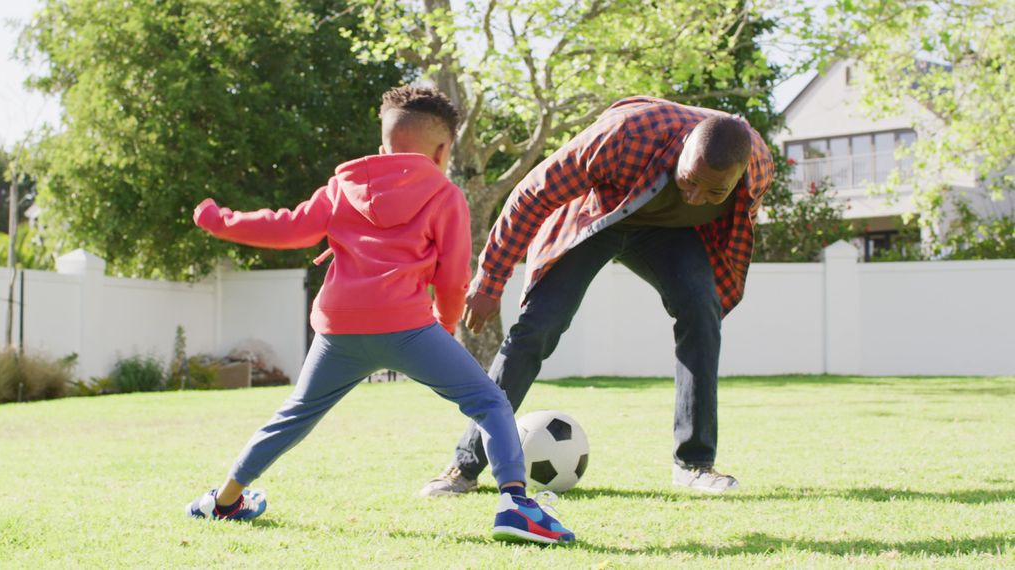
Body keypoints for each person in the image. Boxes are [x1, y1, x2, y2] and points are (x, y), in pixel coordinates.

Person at [185, 85, 574, 545]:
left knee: (294, 416)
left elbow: (288, 227)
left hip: (339, 330)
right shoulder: (446, 195)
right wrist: (444, 326)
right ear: (444, 148)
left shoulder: (341, 188)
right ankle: (516, 505)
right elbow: (452, 279)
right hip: (409, 327)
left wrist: (220, 219)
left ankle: (226, 499)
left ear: (383, 142)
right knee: (489, 402)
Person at [420, 96, 774, 497]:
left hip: (672, 236)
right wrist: (489, 281)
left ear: (740, 176)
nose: (694, 197)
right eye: (689, 180)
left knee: (701, 311)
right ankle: (463, 467)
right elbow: (532, 194)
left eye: (714, 192)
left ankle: (694, 464)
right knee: (539, 326)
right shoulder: (625, 135)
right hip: (598, 217)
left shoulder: (758, 167)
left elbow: (729, 230)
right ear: (683, 148)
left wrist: (705, 207)